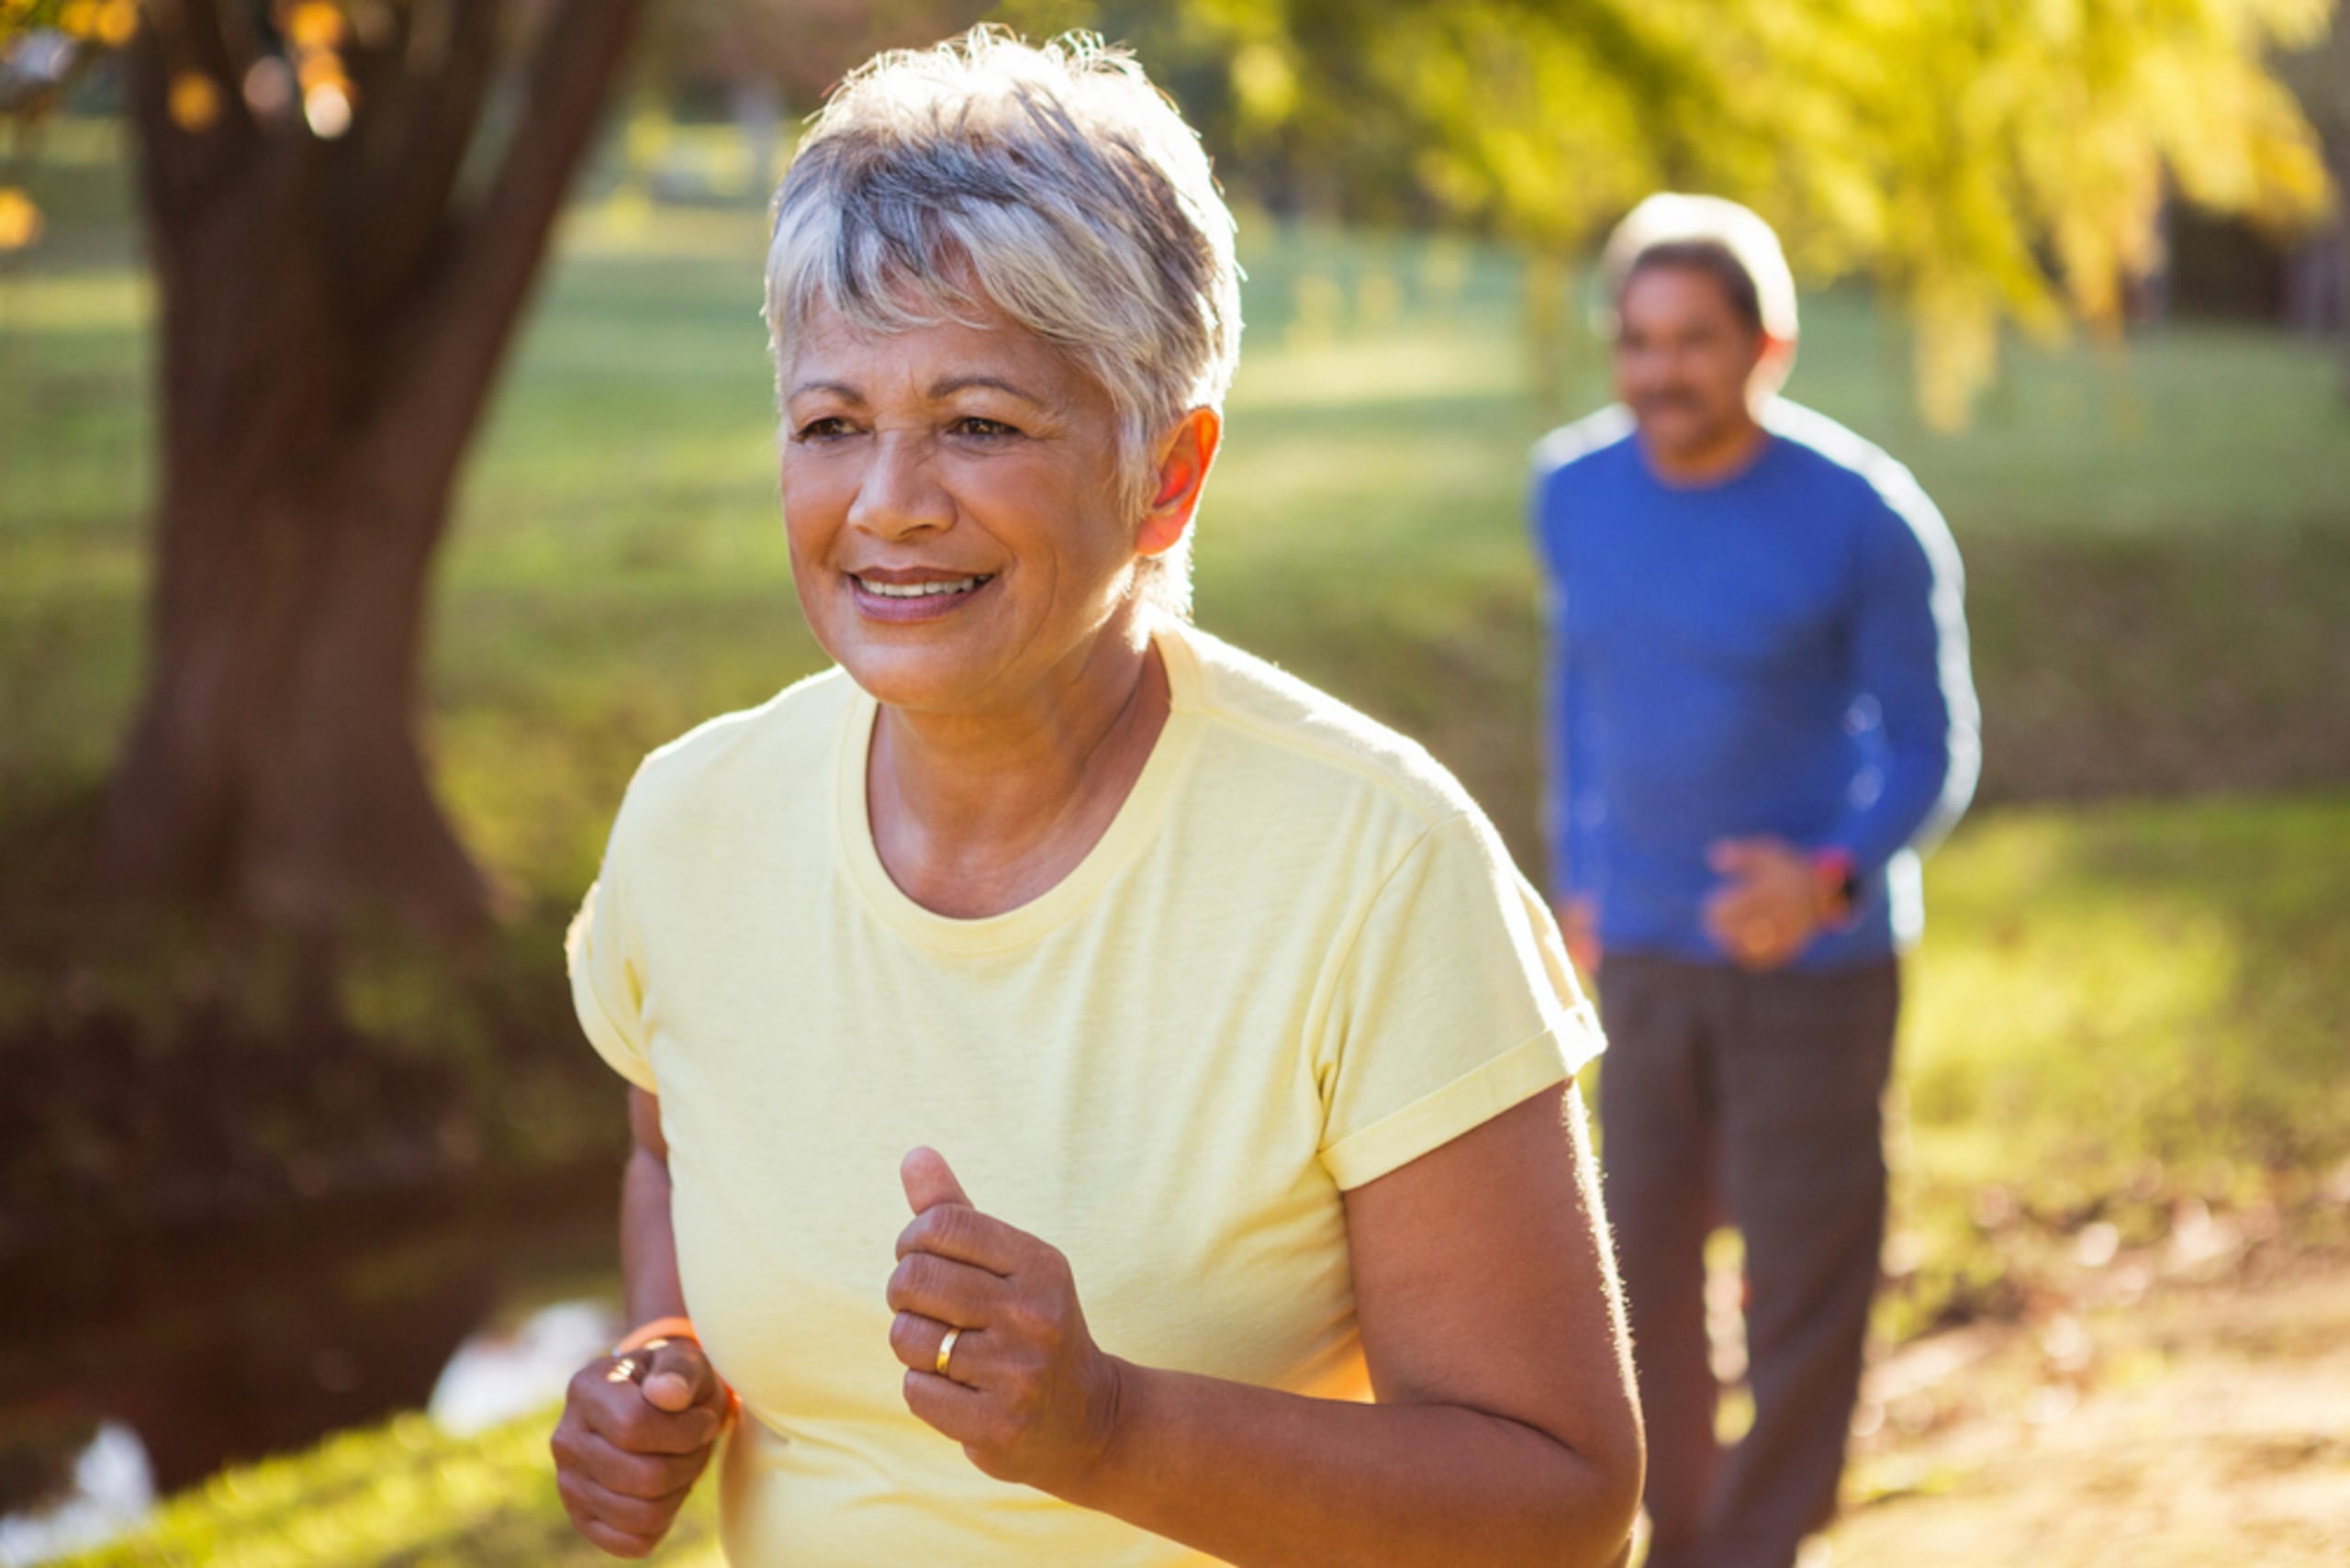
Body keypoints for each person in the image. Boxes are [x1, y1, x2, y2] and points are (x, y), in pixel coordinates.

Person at [549, 29, 1643, 1567]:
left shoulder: (1376, 868)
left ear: (1167, 476)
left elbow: (1562, 1499)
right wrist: (665, 1361)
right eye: (831, 424)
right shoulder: (691, 826)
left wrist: (1113, 1430)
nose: (888, 503)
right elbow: (669, 1155)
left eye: (980, 423)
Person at [1528, 194, 1980, 1568]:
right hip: (1647, 956)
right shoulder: (1570, 487)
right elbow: (1580, 695)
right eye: (1638, 340)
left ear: (1766, 344)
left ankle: (1761, 1544)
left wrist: (1829, 879)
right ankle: (1674, 1534)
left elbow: (1934, 747)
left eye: (1694, 341)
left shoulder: (1867, 518)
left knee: (1802, 1283)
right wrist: (1578, 876)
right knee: (1637, 1276)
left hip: (1816, 973)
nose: (1661, 370)